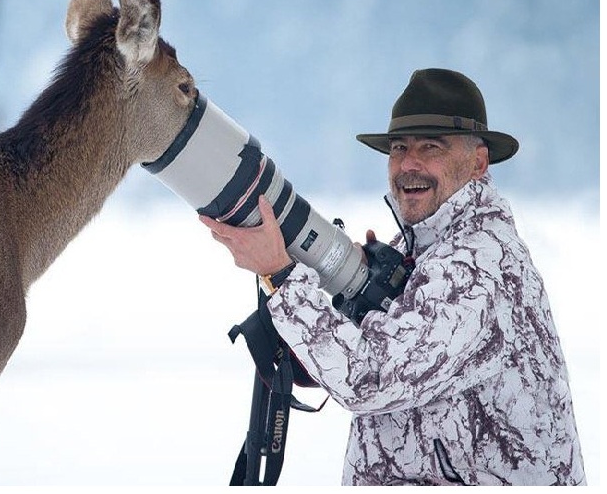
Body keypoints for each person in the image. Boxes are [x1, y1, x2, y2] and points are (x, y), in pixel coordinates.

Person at [200, 68, 586, 486]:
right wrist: (348, 304)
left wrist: (280, 275)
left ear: (478, 162)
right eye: (399, 147)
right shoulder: (426, 250)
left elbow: (368, 378)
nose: (408, 164)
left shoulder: (478, 265)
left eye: (430, 147)